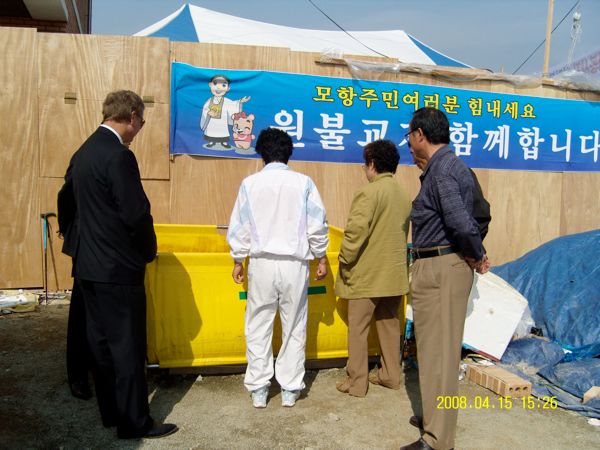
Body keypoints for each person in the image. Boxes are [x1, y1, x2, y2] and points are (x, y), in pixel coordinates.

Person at [58, 90, 177, 439]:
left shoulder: (84, 152)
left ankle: (111, 411)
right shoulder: (118, 156)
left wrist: (74, 238)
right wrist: (147, 250)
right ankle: (134, 422)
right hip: (118, 269)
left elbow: (66, 199)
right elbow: (135, 213)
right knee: (127, 348)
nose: (140, 128)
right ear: (132, 116)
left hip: (89, 267)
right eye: (141, 121)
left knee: (101, 346)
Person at [401, 107, 489, 450]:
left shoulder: (442, 171)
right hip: (439, 266)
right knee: (434, 351)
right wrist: (470, 250)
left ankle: (438, 440)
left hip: (441, 268)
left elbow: (462, 222)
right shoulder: (450, 167)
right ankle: (434, 420)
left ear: (421, 134)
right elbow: (481, 213)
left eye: (410, 136)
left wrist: (474, 254)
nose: (408, 143)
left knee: (441, 355)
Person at [227, 128, 329, 408]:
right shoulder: (304, 183)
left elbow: (240, 225)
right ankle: (290, 388)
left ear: (261, 153)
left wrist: (238, 258)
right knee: (294, 324)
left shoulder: (250, 184)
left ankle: (259, 388)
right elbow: (316, 224)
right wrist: (321, 256)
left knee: (258, 323)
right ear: (288, 153)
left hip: (261, 264)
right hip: (295, 264)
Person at [334, 140, 411, 397]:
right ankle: (391, 375)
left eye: (365, 164)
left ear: (372, 164)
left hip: (367, 275)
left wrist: (344, 258)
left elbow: (356, 231)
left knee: (358, 328)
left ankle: (357, 383)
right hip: (394, 274)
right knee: (389, 324)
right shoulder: (403, 194)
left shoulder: (369, 193)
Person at [57, 183, 92, 400]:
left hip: (104, 246)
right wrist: (68, 227)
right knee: (81, 314)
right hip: (85, 243)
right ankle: (78, 376)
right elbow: (66, 195)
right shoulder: (85, 156)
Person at [200, 74, 250, 148]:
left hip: (222, 121)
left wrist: (240, 102)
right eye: (215, 84)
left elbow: (233, 105)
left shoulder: (226, 101)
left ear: (228, 88)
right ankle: (211, 142)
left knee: (223, 131)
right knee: (211, 131)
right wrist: (208, 112)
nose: (219, 88)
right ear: (210, 85)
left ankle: (224, 142)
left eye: (223, 85)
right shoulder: (209, 100)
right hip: (211, 121)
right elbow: (205, 108)